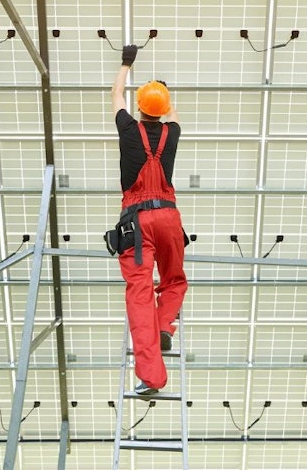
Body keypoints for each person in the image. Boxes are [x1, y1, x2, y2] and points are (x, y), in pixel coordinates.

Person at [112, 43, 187, 397]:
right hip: (170, 218)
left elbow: (116, 95)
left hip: (137, 224)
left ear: (139, 108)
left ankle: (152, 377)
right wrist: (164, 94)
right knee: (174, 281)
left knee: (140, 297)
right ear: (165, 109)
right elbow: (171, 113)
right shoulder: (173, 133)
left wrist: (127, 63)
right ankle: (165, 327)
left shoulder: (128, 130)